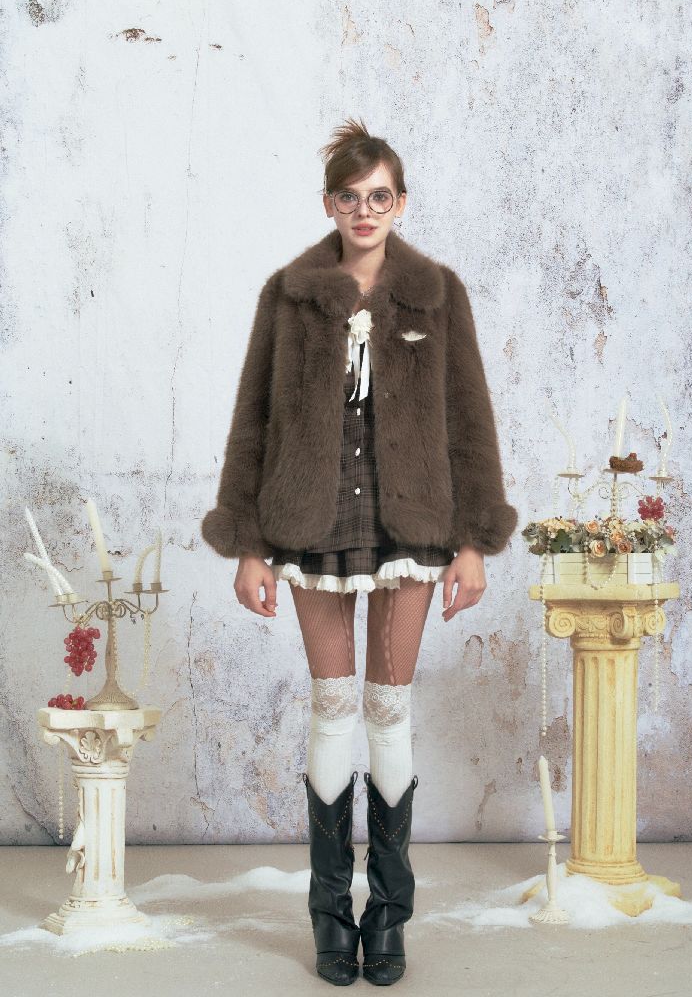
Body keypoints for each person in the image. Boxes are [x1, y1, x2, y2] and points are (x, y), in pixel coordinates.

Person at [201, 117, 517, 986]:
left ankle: (389, 917)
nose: (365, 210)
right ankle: (329, 914)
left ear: (401, 202)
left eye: (380, 196)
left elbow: (469, 420)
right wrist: (248, 544)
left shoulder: (436, 293)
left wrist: (473, 543)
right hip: (310, 521)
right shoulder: (290, 294)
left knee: (388, 711)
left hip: (415, 523)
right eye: (350, 197)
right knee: (332, 708)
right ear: (330, 205)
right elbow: (253, 419)